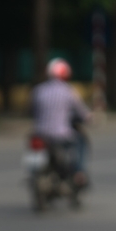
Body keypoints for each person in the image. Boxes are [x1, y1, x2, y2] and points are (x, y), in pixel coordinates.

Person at [31, 58, 92, 186]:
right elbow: (83, 113)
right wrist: (90, 118)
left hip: (40, 134)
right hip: (61, 136)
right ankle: (78, 173)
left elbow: (34, 113)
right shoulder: (68, 91)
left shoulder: (38, 90)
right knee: (81, 141)